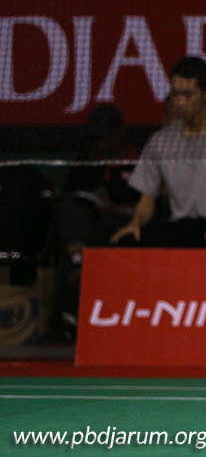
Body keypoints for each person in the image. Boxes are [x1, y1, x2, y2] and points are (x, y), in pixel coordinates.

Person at [110, 56, 206, 248]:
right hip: (177, 228)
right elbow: (146, 201)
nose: (180, 102)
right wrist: (135, 222)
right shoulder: (160, 141)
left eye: (188, 95)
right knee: (126, 241)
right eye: (176, 94)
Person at [50, 104, 139, 338]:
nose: (101, 145)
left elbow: (150, 207)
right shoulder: (87, 160)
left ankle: (73, 309)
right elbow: (72, 193)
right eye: (97, 139)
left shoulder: (139, 161)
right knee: (70, 213)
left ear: (121, 133)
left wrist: (117, 209)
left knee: (91, 239)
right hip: (87, 227)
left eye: (106, 138)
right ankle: (78, 261)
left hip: (124, 225)